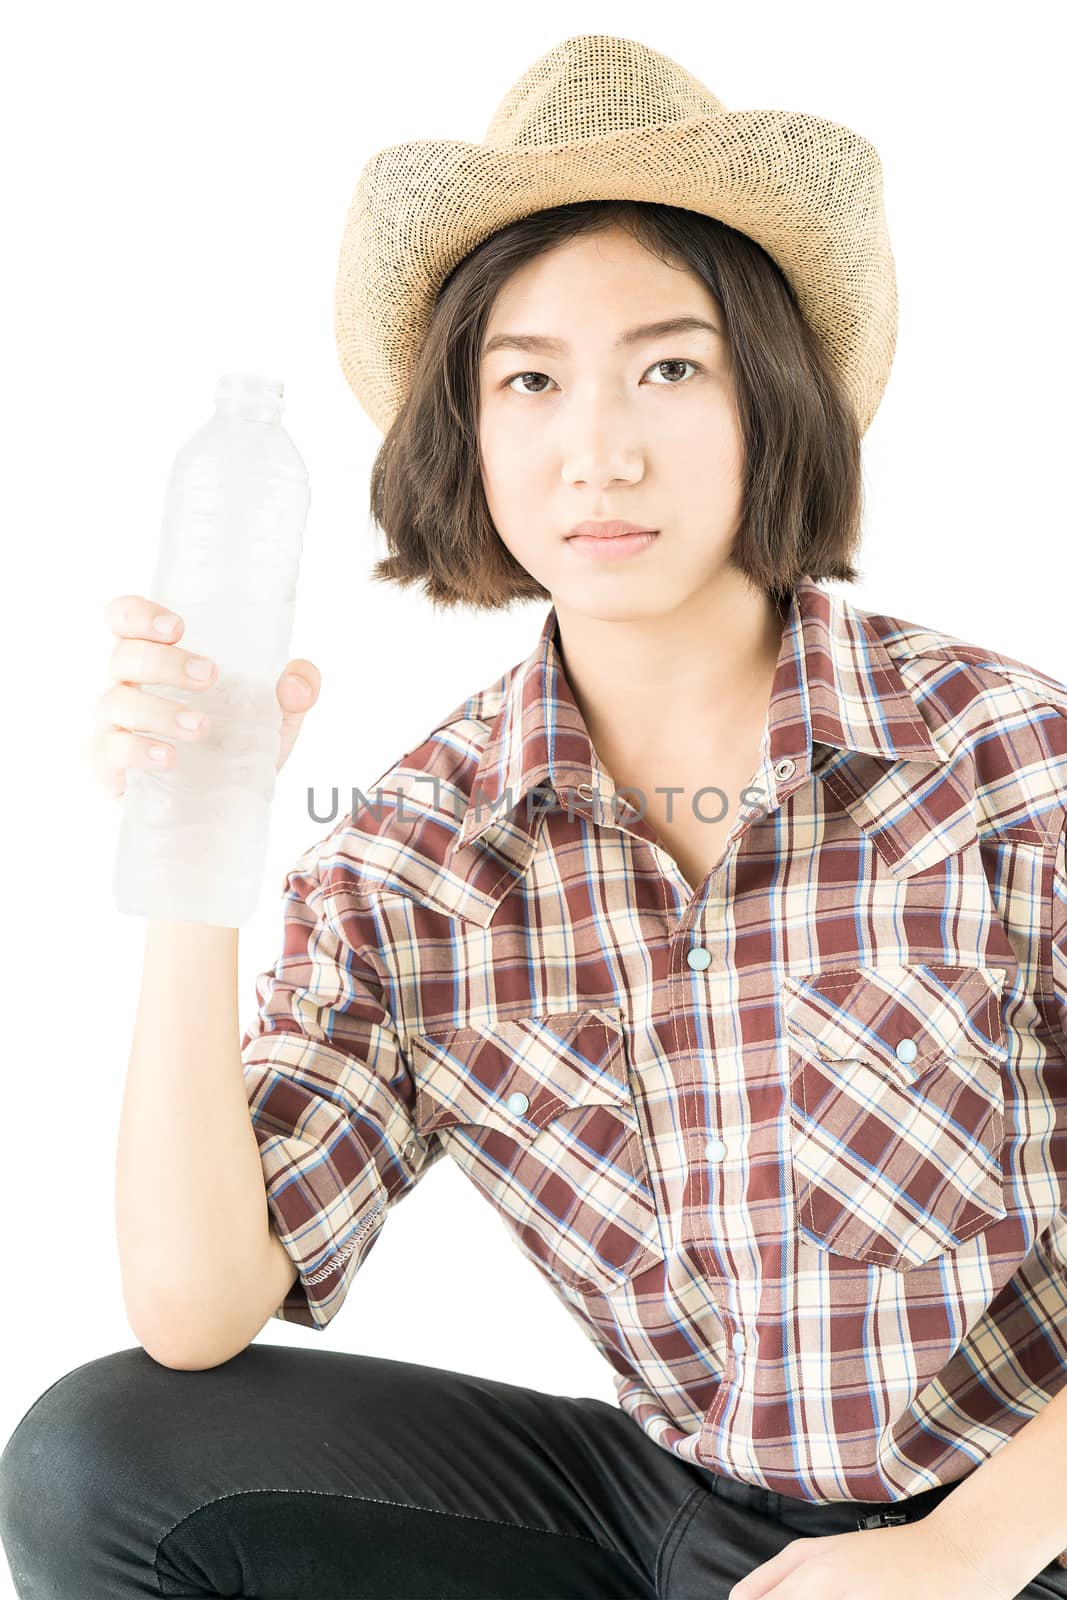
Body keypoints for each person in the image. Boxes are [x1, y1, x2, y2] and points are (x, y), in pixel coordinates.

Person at [2, 30, 1066, 1600]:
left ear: (771, 395)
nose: (600, 450)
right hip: (684, 1516)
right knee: (104, 1459)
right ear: (471, 433)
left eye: (669, 365)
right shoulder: (420, 854)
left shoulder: (1003, 762)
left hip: (1021, 1521)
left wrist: (959, 1557)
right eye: (530, 380)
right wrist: (196, 840)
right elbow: (194, 1308)